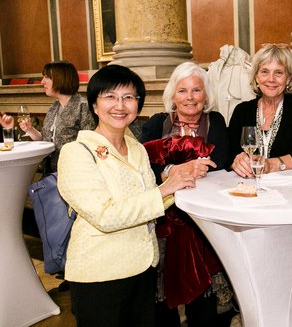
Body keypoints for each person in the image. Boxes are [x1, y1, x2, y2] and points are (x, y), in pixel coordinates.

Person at [56, 65, 196, 327]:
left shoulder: (136, 148)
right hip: (101, 274)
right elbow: (106, 216)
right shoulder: (76, 152)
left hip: (142, 267)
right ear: (94, 106)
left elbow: (148, 202)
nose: (120, 105)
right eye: (110, 96)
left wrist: (182, 186)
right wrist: (166, 188)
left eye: (129, 97)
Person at [139, 62, 233, 327]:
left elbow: (222, 159)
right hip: (164, 221)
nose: (190, 98)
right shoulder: (158, 123)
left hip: (201, 220)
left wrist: (195, 166)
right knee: (162, 296)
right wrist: (173, 169)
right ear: (172, 95)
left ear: (206, 95)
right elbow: (145, 164)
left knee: (204, 300)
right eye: (182, 91)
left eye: (196, 90)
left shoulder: (216, 122)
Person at [228, 43, 292, 176]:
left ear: (288, 79)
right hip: (249, 185)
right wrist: (236, 160)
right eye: (264, 72)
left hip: (291, 187)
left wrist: (273, 164)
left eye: (278, 73)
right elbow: (229, 152)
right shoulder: (242, 110)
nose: (271, 79)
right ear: (256, 77)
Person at [18, 61, 96, 173]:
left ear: (61, 79)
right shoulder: (54, 106)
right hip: (50, 171)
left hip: (73, 172)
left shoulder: (83, 107)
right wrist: (30, 130)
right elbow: (45, 139)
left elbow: (89, 145)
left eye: (46, 77)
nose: (42, 82)